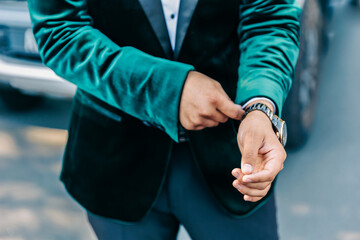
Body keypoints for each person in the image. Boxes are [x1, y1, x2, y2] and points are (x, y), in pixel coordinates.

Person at [27, 0, 301, 239]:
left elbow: (269, 18)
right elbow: (60, 31)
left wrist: (260, 106)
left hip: (231, 157)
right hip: (114, 162)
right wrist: (167, 89)